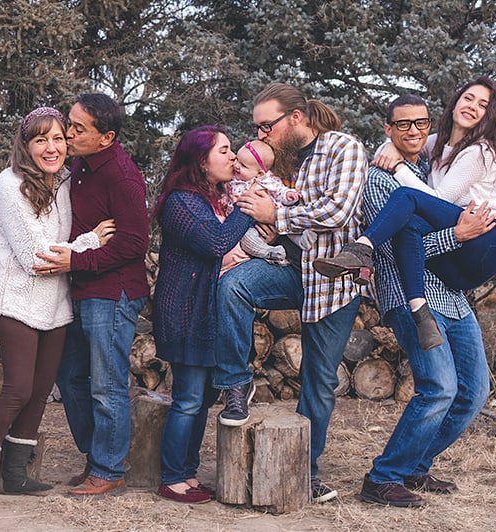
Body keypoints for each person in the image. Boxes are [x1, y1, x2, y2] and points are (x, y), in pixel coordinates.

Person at [0, 107, 115, 507]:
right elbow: (34, 258)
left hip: (55, 302)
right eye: (40, 139)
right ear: (25, 145)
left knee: (42, 390)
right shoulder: (9, 185)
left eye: (58, 138)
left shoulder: (65, 181)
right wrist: (90, 242)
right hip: (16, 299)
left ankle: (13, 475)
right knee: (18, 389)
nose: (51, 147)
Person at [218, 82, 367, 502]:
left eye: (267, 126)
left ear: (295, 118)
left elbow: (338, 212)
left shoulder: (343, 148)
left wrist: (277, 215)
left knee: (318, 381)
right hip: (288, 267)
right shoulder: (280, 160)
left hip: (332, 279)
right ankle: (235, 383)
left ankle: (306, 472)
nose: (260, 135)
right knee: (233, 286)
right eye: (258, 127)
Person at [356, 94, 493, 507]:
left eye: (421, 123)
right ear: (387, 129)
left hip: (453, 299)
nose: (413, 131)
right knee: (438, 388)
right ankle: (383, 478)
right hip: (409, 296)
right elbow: (397, 250)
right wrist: (459, 236)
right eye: (403, 125)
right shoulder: (379, 179)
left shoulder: (429, 173)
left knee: (474, 392)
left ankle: (416, 465)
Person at [314, 76, 496, 352]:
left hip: (487, 236)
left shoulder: (479, 151)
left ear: (487, 116)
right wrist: (387, 147)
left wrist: (398, 169)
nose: (473, 107)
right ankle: (420, 309)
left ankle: (362, 248)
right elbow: (407, 142)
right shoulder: (438, 143)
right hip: (460, 267)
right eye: (468, 98)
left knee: (406, 197)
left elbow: (439, 198)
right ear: (455, 102)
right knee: (407, 225)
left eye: (483, 105)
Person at [35, 93, 149, 497]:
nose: (68, 133)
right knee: (70, 376)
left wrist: (76, 262)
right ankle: (96, 454)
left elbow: (135, 242)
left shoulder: (121, 175)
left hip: (113, 293)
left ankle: (108, 468)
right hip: (81, 290)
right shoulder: (79, 166)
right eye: (71, 122)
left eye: (79, 129)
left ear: (107, 137)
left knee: (106, 383)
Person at [153, 126, 257, 503]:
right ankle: (171, 477)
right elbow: (215, 242)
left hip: (205, 313)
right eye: (225, 151)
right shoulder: (181, 201)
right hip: (184, 313)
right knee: (188, 398)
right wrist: (247, 207)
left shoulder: (210, 200)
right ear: (201, 160)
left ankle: (188, 472)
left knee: (200, 400)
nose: (233, 158)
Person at [230, 139, 317, 263]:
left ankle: (300, 239)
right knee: (246, 238)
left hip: (274, 214)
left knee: (286, 220)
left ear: (259, 173)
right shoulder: (233, 180)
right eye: (237, 160)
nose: (236, 165)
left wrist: (288, 194)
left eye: (243, 165)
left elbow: (279, 190)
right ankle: (269, 252)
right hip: (250, 224)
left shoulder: (266, 180)